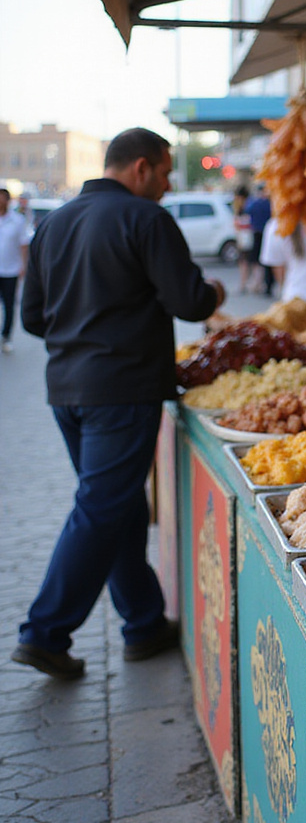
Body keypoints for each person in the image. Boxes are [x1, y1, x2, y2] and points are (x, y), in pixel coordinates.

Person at [13, 128, 226, 680]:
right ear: (139, 168)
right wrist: (216, 295)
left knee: (120, 503)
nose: (166, 184)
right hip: (122, 391)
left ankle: (143, 624)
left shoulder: (51, 224)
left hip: (66, 391)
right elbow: (189, 300)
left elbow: (32, 318)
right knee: (102, 507)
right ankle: (44, 633)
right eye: (164, 172)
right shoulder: (146, 220)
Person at [0, 188, 31, 353]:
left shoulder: (17, 220)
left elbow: (23, 245)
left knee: (9, 305)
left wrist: (23, 266)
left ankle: (6, 336)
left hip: (10, 269)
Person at [243, 183, 274, 295]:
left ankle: (258, 283)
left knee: (257, 260)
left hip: (257, 233)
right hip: (267, 233)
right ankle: (266, 284)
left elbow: (247, 211)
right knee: (266, 260)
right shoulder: (269, 203)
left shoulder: (255, 203)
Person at [231, 184, 253, 290]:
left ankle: (244, 283)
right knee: (247, 261)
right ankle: (246, 282)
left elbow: (240, 224)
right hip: (245, 237)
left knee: (244, 261)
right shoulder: (246, 206)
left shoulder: (244, 208)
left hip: (244, 237)